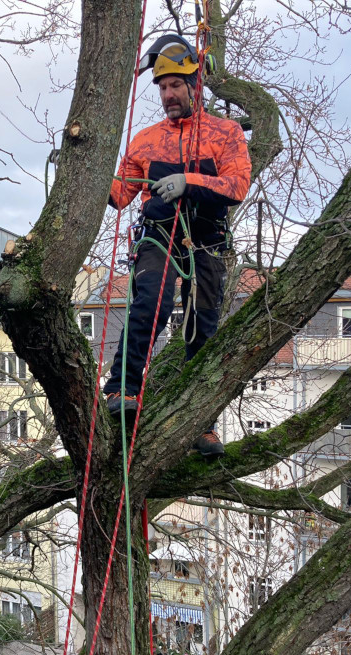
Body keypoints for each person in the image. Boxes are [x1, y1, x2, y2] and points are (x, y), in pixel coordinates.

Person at [103, 34, 251, 457]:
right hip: (160, 234)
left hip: (204, 239)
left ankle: (202, 424)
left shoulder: (225, 134)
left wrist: (191, 181)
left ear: (194, 85)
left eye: (175, 86)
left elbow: (237, 184)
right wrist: (83, 172)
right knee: (151, 303)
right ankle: (122, 388)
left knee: (203, 327)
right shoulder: (146, 141)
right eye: (162, 87)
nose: (167, 94)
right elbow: (119, 194)